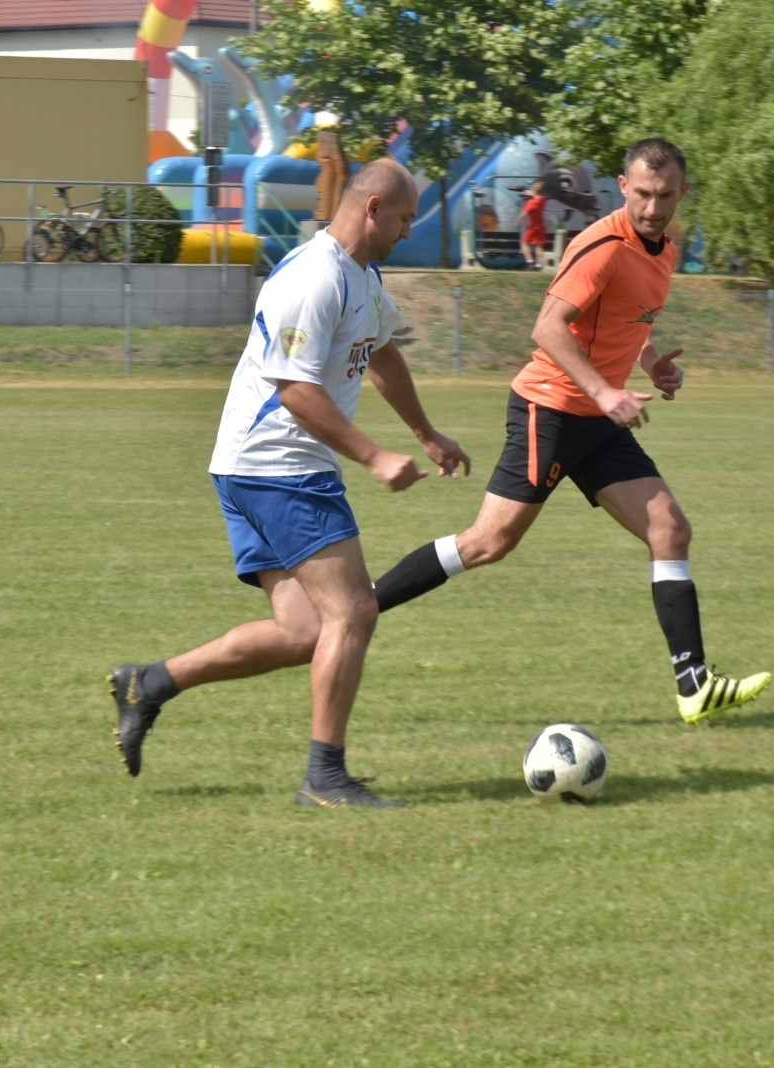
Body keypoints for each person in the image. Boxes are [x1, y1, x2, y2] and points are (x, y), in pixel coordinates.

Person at [110, 158, 471, 808]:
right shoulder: (313, 278)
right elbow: (296, 389)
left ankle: (150, 682)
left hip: (262, 467)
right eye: (405, 218)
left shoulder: (361, 276)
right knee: (354, 610)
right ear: (371, 209)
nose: (406, 231)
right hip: (279, 466)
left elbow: (380, 350)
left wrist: (424, 433)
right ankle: (324, 779)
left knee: (307, 631)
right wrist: (373, 456)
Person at [372, 138, 771, 725]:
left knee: (670, 528)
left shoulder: (664, 247)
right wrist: (606, 392)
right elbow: (549, 328)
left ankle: (694, 685)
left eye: (664, 196)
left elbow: (625, 318)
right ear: (622, 186)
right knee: (488, 543)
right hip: (552, 410)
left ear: (682, 193)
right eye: (641, 194)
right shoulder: (603, 245)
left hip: (599, 418)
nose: (652, 208)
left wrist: (650, 361)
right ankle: (360, 606)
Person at [517, 180, 550, 270]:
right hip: (541, 226)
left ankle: (530, 262)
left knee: (524, 244)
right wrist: (532, 193)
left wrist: (518, 222)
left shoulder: (531, 203)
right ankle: (539, 265)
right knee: (538, 245)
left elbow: (523, 214)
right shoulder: (542, 201)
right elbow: (539, 195)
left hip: (532, 227)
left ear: (534, 190)